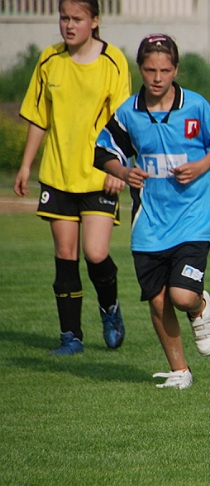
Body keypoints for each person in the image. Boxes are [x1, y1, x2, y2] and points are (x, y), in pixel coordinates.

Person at [94, 34, 210, 389]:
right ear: (140, 69)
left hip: (194, 215)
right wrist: (123, 172)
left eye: (165, 70)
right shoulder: (129, 113)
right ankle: (180, 372)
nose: (157, 78)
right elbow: (103, 152)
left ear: (176, 69)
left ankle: (199, 306)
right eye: (149, 70)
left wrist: (200, 166)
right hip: (150, 222)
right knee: (158, 301)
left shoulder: (195, 106)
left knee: (181, 296)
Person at [14, 0, 131, 355]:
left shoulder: (113, 61)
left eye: (77, 19)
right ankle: (71, 337)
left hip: (99, 176)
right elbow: (39, 117)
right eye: (64, 18)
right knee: (65, 255)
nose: (69, 25)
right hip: (58, 175)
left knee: (95, 253)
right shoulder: (49, 59)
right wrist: (26, 165)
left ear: (94, 21)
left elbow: (124, 122)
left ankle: (110, 309)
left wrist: (118, 167)